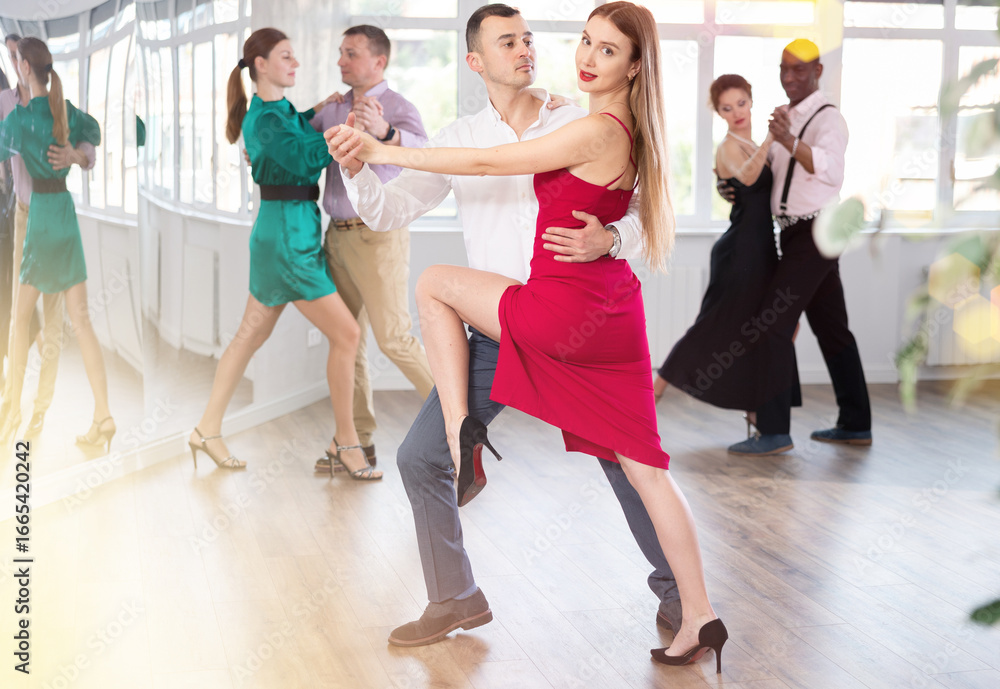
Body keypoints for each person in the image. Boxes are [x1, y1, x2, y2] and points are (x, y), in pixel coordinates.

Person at [330, 1, 727, 670]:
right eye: (506, 41)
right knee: (418, 458)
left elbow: (634, 199)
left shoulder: (580, 116)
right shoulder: (459, 137)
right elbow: (390, 207)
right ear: (475, 61)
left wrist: (611, 236)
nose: (526, 49)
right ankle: (455, 594)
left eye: (528, 37)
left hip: (564, 319)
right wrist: (358, 164)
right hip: (493, 331)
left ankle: (676, 593)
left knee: (621, 461)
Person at [187, 28, 380, 481]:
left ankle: (206, 431)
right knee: (348, 336)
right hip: (288, 240)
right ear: (261, 65)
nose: (295, 64)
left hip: (281, 232)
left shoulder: (274, 111)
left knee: (247, 337)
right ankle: (348, 444)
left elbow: (292, 128)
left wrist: (318, 110)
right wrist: (348, 126)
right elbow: (302, 154)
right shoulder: (264, 120)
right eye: (286, 57)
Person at [725, 39, 872, 456]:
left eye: (799, 70)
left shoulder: (829, 120)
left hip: (817, 231)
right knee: (832, 329)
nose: (789, 78)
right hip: (793, 233)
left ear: (818, 72)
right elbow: (770, 172)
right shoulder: (785, 119)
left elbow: (830, 172)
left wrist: (787, 139)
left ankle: (774, 431)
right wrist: (733, 184)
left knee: (771, 323)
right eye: (783, 69)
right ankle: (856, 423)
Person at [308, 25, 433, 474]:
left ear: (379, 61)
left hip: (378, 237)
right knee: (349, 340)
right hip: (335, 235)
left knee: (394, 338)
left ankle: (463, 427)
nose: (341, 61)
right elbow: (300, 143)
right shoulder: (333, 107)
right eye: (340, 52)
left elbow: (424, 153)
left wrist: (384, 132)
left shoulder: (398, 108)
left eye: (351, 53)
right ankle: (357, 440)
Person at [653, 74, 801, 439]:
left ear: (751, 101)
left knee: (774, 326)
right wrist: (771, 137)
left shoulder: (751, 143)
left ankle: (754, 407)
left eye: (741, 103)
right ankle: (648, 398)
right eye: (726, 107)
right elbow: (749, 180)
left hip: (763, 246)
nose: (736, 112)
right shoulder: (730, 146)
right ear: (717, 113)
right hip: (741, 251)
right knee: (715, 326)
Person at [0, 37, 109, 449]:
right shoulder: (65, 108)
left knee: (23, 318)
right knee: (64, 319)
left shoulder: (20, 118)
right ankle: (34, 409)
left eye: (15, 58)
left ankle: (18, 411)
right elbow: (95, 130)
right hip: (62, 214)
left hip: (40, 220)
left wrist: (77, 155)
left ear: (25, 66)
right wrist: (75, 155)